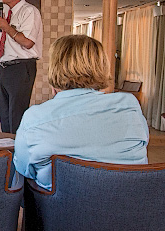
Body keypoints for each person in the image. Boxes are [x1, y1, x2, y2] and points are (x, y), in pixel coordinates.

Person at [12, 35, 149, 191]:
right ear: (102, 67)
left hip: (60, 212)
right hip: (129, 208)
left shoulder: (35, 117)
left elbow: (24, 169)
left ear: (54, 69)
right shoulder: (130, 106)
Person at [0, 0, 43, 133]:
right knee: (5, 118)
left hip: (21, 68)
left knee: (17, 117)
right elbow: (7, 48)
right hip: (6, 69)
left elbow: (28, 42)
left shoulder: (29, 11)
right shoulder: (9, 14)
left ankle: (17, 154)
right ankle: (7, 155)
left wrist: (7, 28)